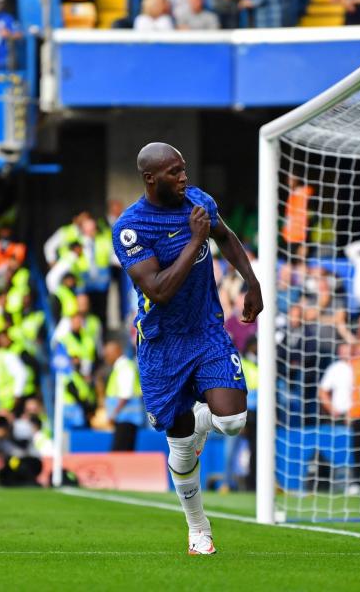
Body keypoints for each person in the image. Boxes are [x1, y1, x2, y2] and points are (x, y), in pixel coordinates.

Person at [112, 142, 262, 555]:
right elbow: (158, 291)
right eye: (175, 172)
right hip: (162, 345)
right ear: (150, 178)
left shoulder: (198, 201)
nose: (184, 178)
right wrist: (196, 241)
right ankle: (198, 528)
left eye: (184, 169)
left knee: (232, 422)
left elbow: (226, 236)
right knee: (179, 444)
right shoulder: (131, 228)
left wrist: (252, 282)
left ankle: (204, 422)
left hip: (205, 331)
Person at [103, 340, 144, 451]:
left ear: (117, 352)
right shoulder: (121, 367)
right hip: (123, 420)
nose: (105, 357)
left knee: (120, 453)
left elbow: (125, 394)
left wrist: (113, 414)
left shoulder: (124, 367)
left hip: (126, 420)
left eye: (107, 354)